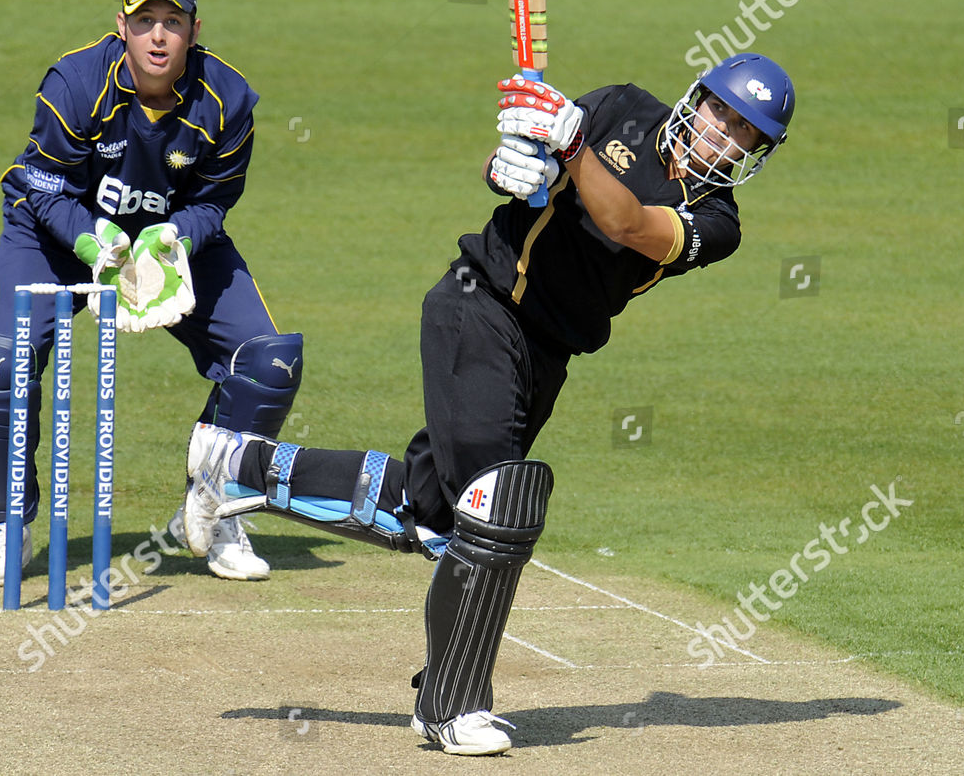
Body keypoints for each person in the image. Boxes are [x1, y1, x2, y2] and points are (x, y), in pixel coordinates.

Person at [177, 51, 796, 754]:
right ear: (698, 99)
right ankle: (451, 706)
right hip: (482, 307)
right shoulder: (622, 106)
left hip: (548, 353)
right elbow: (520, 159)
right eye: (720, 112)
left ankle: (236, 464)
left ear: (756, 152)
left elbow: (627, 224)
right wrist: (516, 166)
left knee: (432, 511)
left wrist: (570, 148)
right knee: (496, 511)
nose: (722, 134)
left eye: (744, 132)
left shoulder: (716, 222)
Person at [0, 0, 301, 588]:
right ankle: (8, 523)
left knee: (268, 361)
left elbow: (213, 201)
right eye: (145, 22)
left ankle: (215, 501)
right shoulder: (75, 80)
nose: (159, 36)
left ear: (195, 30)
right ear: (122, 27)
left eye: (173, 22)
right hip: (55, 235)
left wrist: (175, 239)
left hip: (168, 245)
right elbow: (42, 184)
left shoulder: (228, 99)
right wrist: (94, 241)